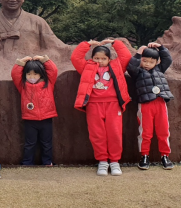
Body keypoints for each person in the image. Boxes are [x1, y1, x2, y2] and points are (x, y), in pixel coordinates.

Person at [71, 39, 132, 176]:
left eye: (103, 58)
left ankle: (115, 162)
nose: (100, 61)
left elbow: (126, 57)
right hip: (93, 104)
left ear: (109, 59)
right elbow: (75, 57)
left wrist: (114, 43)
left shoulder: (116, 67)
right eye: (96, 58)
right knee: (97, 134)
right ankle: (102, 162)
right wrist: (87, 44)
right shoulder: (87, 67)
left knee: (114, 133)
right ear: (92, 58)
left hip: (113, 103)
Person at [127, 42, 175, 170]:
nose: (148, 64)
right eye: (145, 61)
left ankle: (165, 155)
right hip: (145, 105)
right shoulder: (137, 72)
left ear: (156, 62)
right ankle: (144, 156)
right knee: (145, 132)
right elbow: (131, 67)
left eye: (151, 61)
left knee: (163, 131)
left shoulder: (159, 69)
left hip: (160, 103)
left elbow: (168, 59)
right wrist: (138, 53)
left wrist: (161, 47)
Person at [11, 55, 58, 166]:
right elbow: (15, 74)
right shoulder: (23, 85)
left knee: (46, 143)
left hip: (46, 118)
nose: (32, 76)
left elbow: (53, 70)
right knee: (29, 143)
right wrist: (21, 62)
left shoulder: (48, 83)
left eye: (35, 74)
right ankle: (27, 162)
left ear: (41, 74)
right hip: (30, 119)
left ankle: (47, 162)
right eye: (29, 74)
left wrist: (44, 60)